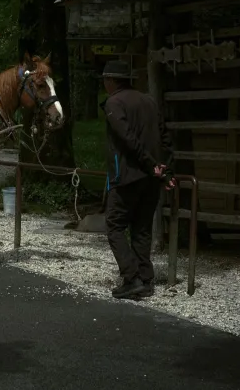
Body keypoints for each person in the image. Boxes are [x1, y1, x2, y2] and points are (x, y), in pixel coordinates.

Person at [100, 60, 175, 300]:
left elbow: (128, 139)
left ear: (111, 81)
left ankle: (132, 278)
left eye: (105, 80)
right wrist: (165, 170)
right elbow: (165, 137)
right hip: (151, 178)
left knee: (114, 226)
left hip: (128, 175)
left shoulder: (114, 103)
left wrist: (149, 164)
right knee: (142, 228)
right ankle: (146, 278)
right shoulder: (149, 101)